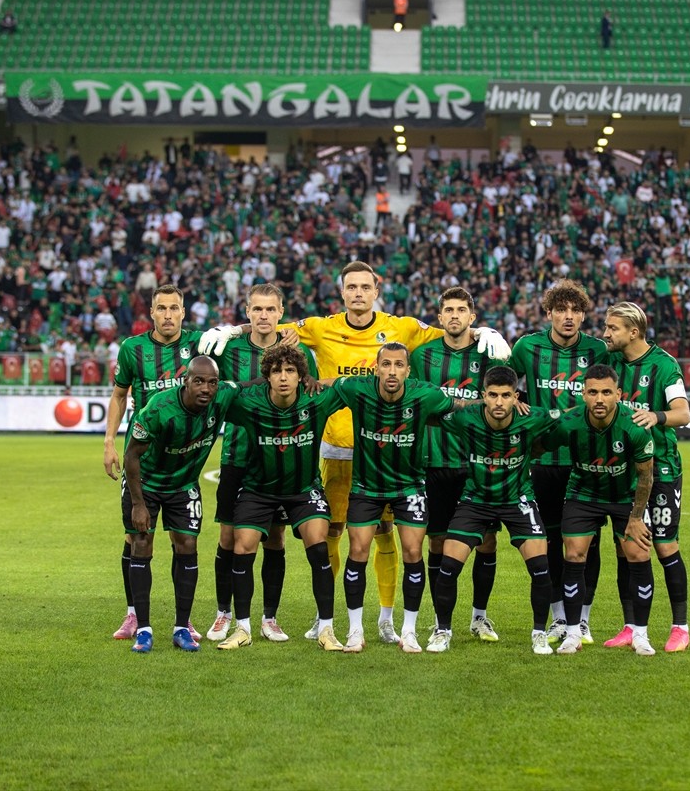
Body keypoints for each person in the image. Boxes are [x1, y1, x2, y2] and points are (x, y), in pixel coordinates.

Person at [200, 261, 509, 645]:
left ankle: (384, 618)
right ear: (342, 291)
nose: (358, 293)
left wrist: (484, 330)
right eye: (352, 287)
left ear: (376, 290)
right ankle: (323, 616)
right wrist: (235, 329)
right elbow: (270, 326)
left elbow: (452, 326)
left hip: (383, 451)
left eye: (365, 286)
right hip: (334, 448)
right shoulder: (320, 326)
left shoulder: (403, 328)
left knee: (385, 535)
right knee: (329, 532)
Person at [205, 285, 317, 644]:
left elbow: (312, 393)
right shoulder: (230, 347)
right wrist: (231, 329)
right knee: (228, 537)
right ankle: (224, 613)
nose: (264, 315)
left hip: (281, 460)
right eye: (257, 309)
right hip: (237, 455)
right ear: (247, 311)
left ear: (281, 311)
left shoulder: (299, 352)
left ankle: (270, 617)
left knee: (276, 538)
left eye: (270, 309)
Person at [218, 345, 348, 651]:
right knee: (242, 546)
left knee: (319, 547)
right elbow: (216, 395)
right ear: (267, 377)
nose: (283, 377)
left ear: (301, 376)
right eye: (276, 371)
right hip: (258, 489)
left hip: (304, 490)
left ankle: (326, 629)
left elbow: (351, 386)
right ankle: (243, 628)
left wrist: (323, 381)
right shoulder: (249, 404)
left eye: (290, 371)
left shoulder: (316, 401)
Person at [427, 366, 562, 655]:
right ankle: (443, 630)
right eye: (492, 395)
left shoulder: (533, 418)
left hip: (518, 500)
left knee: (540, 568)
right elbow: (430, 416)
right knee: (448, 567)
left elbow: (570, 417)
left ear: (516, 397)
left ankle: (539, 633)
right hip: (476, 499)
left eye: (505, 396)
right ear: (483, 396)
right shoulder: (465, 418)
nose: (499, 402)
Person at [335, 343, 457, 653]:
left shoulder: (425, 394)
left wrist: (496, 403)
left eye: (398, 365)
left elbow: (456, 407)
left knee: (413, 551)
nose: (392, 371)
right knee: (359, 549)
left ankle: (410, 631)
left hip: (409, 486)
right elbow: (326, 385)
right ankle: (355, 630)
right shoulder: (357, 389)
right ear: (376, 368)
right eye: (386, 364)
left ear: (407, 370)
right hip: (367, 486)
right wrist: (309, 382)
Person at [509, 279, 608, 644]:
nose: (569, 317)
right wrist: (517, 396)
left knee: (588, 541)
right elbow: (505, 379)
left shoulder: (598, 350)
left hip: (587, 459)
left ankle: (582, 619)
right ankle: (556, 616)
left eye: (576, 311)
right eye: (562, 310)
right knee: (549, 540)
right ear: (548, 312)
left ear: (583, 314)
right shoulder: (527, 347)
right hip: (543, 459)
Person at [104, 284, 203, 643]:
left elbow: (237, 337)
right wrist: (109, 442)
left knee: (183, 541)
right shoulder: (133, 349)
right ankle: (133, 615)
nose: (167, 315)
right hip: (140, 458)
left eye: (174, 308)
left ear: (183, 311)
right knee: (136, 536)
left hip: (183, 460)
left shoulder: (201, 344)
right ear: (151, 312)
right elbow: (118, 396)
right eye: (161, 308)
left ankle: (184, 621)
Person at [122, 356, 240, 653]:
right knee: (141, 543)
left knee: (187, 544)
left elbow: (254, 386)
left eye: (211, 382)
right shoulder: (159, 409)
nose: (206, 388)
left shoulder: (222, 396)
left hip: (183, 485)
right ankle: (144, 629)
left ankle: (181, 627)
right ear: (185, 381)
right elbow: (131, 456)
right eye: (198, 381)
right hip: (145, 483)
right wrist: (138, 504)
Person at [539, 365, 656, 655]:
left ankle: (640, 634)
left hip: (624, 496)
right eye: (593, 392)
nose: (599, 399)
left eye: (606, 392)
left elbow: (646, 476)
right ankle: (572, 632)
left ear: (618, 394)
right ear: (583, 394)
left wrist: (636, 518)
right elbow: (539, 446)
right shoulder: (570, 423)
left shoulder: (633, 426)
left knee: (638, 553)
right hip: (583, 493)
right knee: (574, 553)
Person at [410, 288, 505, 642]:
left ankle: (480, 617)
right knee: (437, 544)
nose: (454, 316)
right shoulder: (422, 356)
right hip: (433, 462)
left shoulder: (489, 354)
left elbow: (500, 402)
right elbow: (420, 404)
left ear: (472, 317)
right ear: (439, 318)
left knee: (487, 542)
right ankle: (441, 620)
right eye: (448, 310)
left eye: (461, 310)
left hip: (478, 464)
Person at [601, 301, 690, 653]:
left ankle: (680, 627)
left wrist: (656, 416)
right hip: (624, 469)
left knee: (665, 545)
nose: (606, 334)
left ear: (633, 332)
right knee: (626, 549)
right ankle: (630, 625)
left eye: (612, 328)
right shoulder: (610, 363)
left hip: (662, 468)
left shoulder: (664, 365)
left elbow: (683, 413)